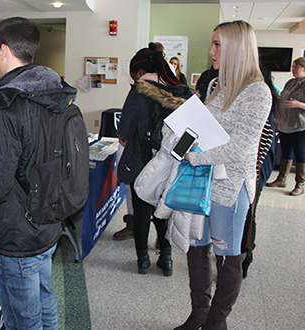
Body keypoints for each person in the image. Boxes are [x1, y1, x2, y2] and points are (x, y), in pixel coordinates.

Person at [0, 17, 77, 329]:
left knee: (22, 319)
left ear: (3, 50)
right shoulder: (53, 92)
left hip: (16, 231)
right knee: (44, 299)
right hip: (47, 219)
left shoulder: (5, 103)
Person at [175, 21, 271, 330]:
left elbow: (241, 147)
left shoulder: (258, 92)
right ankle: (199, 314)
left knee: (229, 259)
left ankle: (216, 322)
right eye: (212, 44)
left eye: (217, 45)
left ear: (236, 48)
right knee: (197, 250)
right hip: (204, 182)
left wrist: (197, 156)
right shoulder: (217, 84)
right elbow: (205, 127)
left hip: (231, 189)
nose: (211, 50)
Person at [117, 45, 193, 276]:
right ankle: (166, 259)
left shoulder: (139, 91)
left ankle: (142, 260)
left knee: (141, 212)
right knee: (164, 208)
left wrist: (127, 138)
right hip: (171, 163)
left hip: (142, 160)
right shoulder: (181, 91)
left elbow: (125, 131)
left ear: (140, 72)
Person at [241, 64, 280, 278]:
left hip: (257, 167)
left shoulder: (260, 99)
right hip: (258, 167)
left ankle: (246, 255)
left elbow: (261, 142)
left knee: (249, 212)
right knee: (248, 213)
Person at [266, 57, 305, 196]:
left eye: (296, 67)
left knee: (300, 155)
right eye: (293, 66)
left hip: (299, 126)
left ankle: (300, 184)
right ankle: (281, 179)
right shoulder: (290, 82)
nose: (293, 69)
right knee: (285, 152)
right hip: (285, 124)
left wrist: (298, 105)